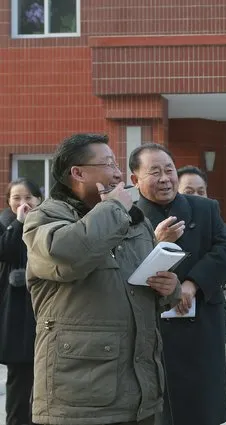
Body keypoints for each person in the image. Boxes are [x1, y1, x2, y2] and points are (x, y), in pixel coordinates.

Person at [21, 133, 181, 425]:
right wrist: (113, 208)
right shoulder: (45, 217)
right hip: (81, 394)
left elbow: (143, 284)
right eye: (108, 164)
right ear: (78, 173)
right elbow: (69, 256)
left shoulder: (132, 219)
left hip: (139, 391)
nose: (118, 173)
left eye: (116, 164)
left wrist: (169, 288)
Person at [131, 144, 226, 425]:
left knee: (200, 406)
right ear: (135, 180)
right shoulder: (127, 217)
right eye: (154, 172)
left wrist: (192, 283)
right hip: (151, 326)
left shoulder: (205, 208)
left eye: (169, 170)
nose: (165, 178)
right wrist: (156, 244)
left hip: (200, 322)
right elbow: (121, 264)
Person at [0, 178, 42, 425]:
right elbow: (5, 250)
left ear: (39, 199)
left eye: (29, 197)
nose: (23, 203)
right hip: (15, 314)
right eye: (16, 198)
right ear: (8, 202)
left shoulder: (48, 224)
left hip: (44, 308)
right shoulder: (5, 224)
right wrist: (19, 223)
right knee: (19, 379)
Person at [176, 165, 226, 288]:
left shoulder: (222, 228)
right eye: (189, 192)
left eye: (201, 192)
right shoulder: (169, 226)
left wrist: (219, 280)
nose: (196, 196)